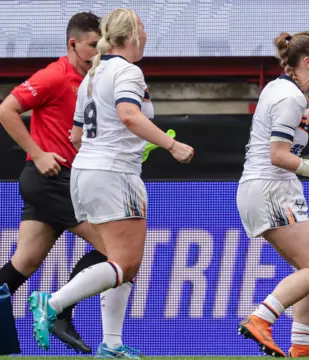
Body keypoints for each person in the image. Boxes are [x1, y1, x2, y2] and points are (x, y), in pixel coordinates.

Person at [27, 8, 194, 358]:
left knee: (119, 260)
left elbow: (75, 136)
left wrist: (133, 144)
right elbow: (129, 116)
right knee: (126, 263)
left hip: (87, 171)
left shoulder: (93, 74)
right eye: (144, 29)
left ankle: (112, 344)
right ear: (131, 35)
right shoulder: (127, 71)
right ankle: (52, 303)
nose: (147, 36)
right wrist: (170, 144)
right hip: (113, 173)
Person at [0, 12, 134, 355]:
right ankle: (60, 311)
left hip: (61, 181)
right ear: (73, 44)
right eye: (93, 45)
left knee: (24, 262)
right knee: (119, 254)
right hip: (52, 179)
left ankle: (61, 312)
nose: (99, 50)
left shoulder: (95, 78)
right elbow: (6, 109)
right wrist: (38, 152)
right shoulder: (54, 76)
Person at [236, 31, 309, 358]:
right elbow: (279, 154)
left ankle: (301, 344)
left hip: (265, 188)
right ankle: (261, 318)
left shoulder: (281, 89)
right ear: (307, 62)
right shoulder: (291, 96)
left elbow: (289, 125)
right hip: (271, 188)